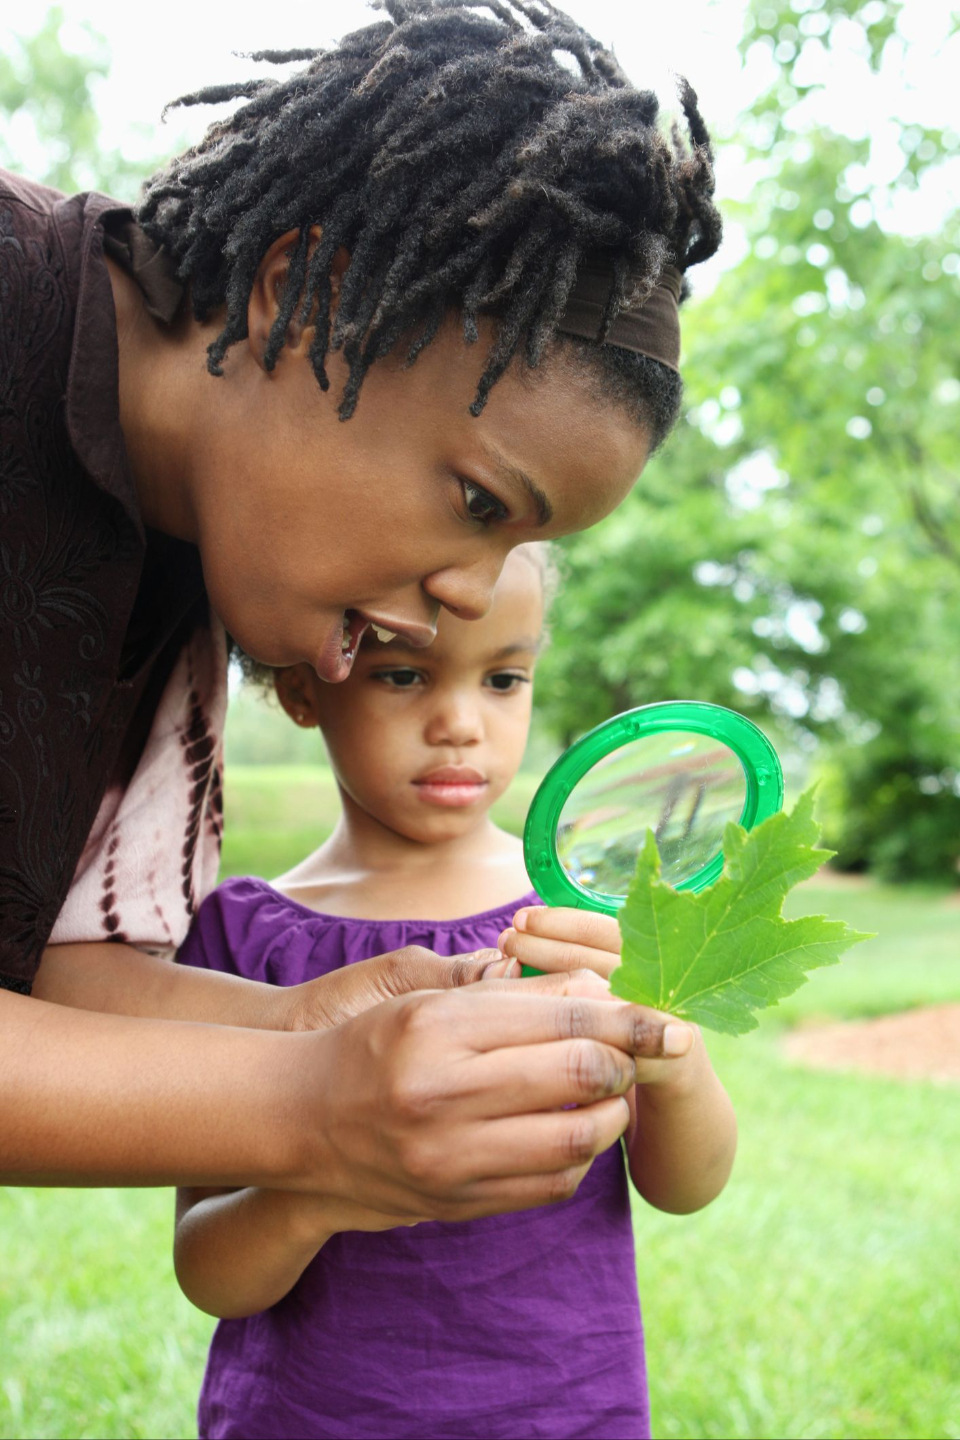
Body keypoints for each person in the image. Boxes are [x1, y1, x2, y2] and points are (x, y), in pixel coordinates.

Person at [0, 0, 722, 1222]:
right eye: (480, 502)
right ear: (309, 302)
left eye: (518, 552)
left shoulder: (204, 552)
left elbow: (64, 986)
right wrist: (311, 1105)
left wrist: (315, 1028)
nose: (468, 599)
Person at [173, 544, 736, 1440]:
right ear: (302, 688)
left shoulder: (585, 921)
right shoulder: (241, 941)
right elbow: (211, 1270)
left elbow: (686, 1186)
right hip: (312, 1417)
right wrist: (323, 1187)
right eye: (404, 675)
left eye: (504, 679)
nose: (461, 724)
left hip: (565, 1409)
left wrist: (673, 1058)